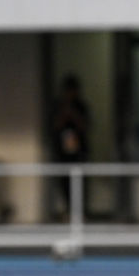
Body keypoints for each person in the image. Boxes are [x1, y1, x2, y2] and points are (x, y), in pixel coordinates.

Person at [51, 74, 90, 219]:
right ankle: (68, 210)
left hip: (79, 151)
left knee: (80, 181)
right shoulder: (58, 106)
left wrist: (73, 113)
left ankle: (80, 211)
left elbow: (85, 126)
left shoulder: (81, 106)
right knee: (64, 181)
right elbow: (55, 126)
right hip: (62, 151)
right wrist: (64, 113)